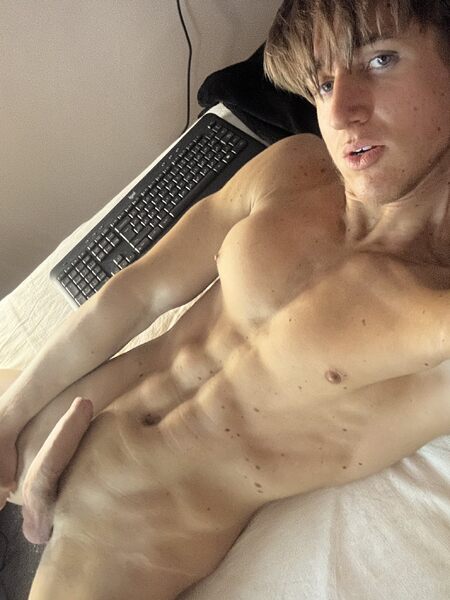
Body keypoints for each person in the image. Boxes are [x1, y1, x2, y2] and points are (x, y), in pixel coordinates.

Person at [1, 0, 449, 597]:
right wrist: (10, 417)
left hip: (117, 538)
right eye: (321, 84)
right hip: (46, 419)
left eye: (380, 60)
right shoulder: (294, 169)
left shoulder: (433, 311)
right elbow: (139, 293)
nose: (341, 111)